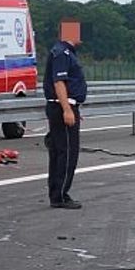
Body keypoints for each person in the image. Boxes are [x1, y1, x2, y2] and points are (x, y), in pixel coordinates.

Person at [44, 30, 87, 209]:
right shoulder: (63, 53)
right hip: (62, 106)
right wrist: (67, 109)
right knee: (67, 153)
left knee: (58, 151)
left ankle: (57, 193)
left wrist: (72, 108)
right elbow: (59, 82)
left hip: (63, 105)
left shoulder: (63, 51)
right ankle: (60, 195)